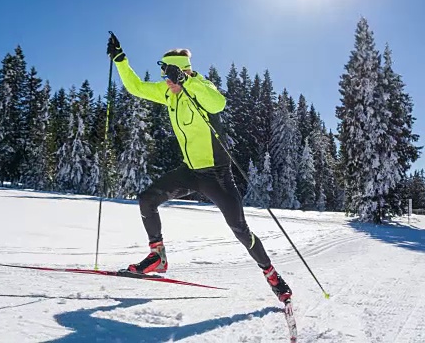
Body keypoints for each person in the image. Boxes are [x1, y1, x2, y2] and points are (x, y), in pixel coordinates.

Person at [106, 32, 292, 303]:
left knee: (240, 229)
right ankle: (157, 257)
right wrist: (120, 60)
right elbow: (136, 87)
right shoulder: (168, 92)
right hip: (190, 171)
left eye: (171, 76)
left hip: (217, 174)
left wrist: (187, 81)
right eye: (165, 76)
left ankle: (271, 274)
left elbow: (219, 103)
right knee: (147, 199)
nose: (166, 82)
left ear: (182, 72)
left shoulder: (199, 86)